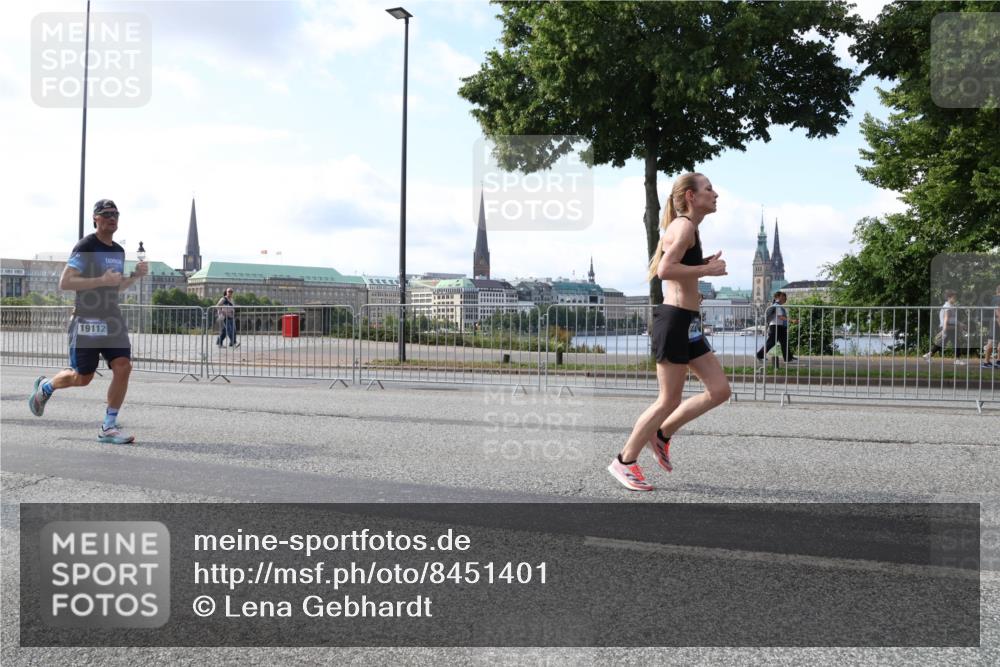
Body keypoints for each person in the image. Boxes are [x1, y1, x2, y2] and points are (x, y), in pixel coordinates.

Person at [607, 172, 731, 491]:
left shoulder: (689, 229)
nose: (715, 194)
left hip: (688, 322)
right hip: (674, 321)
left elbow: (678, 267)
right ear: (691, 196)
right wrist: (707, 269)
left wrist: (700, 264)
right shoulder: (685, 226)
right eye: (708, 189)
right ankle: (624, 461)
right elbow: (664, 270)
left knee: (719, 390)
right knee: (668, 399)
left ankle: (661, 435)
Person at [27, 199, 148, 444]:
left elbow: (116, 286)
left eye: (116, 214)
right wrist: (101, 279)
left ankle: (108, 427)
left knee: (123, 366)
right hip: (86, 319)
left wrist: (135, 276)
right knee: (83, 377)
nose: (112, 218)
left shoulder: (118, 251)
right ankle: (46, 387)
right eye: (107, 214)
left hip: (112, 318)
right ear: (96, 218)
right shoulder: (86, 246)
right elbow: (65, 282)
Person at [924, 291, 966, 365]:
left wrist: (960, 324)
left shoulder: (951, 306)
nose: (955, 298)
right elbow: (946, 318)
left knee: (943, 342)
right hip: (948, 326)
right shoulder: (948, 306)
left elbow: (953, 319)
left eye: (955, 297)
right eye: (954, 297)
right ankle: (957, 360)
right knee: (956, 343)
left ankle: (928, 355)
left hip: (949, 326)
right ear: (949, 298)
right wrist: (944, 329)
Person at [756, 291, 797, 364]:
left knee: (783, 342)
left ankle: (788, 358)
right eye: (783, 296)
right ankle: (759, 355)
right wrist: (792, 320)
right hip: (776, 326)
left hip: (779, 326)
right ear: (777, 297)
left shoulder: (777, 306)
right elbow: (780, 317)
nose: (785, 298)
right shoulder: (777, 306)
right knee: (771, 342)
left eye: (785, 296)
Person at [982, 285, 1000, 369]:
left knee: (993, 341)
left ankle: (998, 361)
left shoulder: (993, 298)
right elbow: (997, 312)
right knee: (991, 342)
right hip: (996, 322)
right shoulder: (997, 299)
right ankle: (986, 362)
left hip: (994, 321)